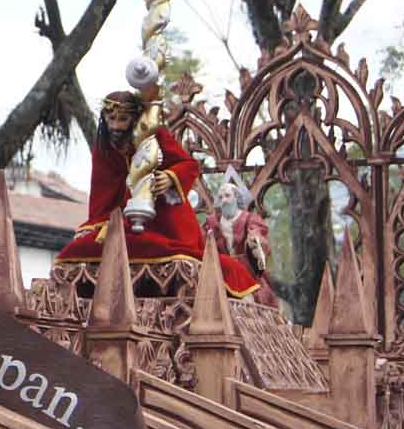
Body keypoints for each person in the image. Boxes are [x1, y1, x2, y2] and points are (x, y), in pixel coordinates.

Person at [54, 91, 259, 298]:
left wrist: (170, 177)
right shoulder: (104, 148)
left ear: (135, 119)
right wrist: (99, 225)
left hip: (165, 221)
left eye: (122, 119)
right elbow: (102, 193)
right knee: (76, 251)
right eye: (111, 118)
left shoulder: (153, 134)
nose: (115, 126)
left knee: (179, 255)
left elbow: (188, 165)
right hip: (120, 220)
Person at [203, 182, 278, 306]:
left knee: (255, 303)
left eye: (227, 196)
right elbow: (204, 244)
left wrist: (255, 242)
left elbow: (257, 234)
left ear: (236, 198)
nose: (224, 200)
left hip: (247, 273)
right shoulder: (212, 222)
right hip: (223, 273)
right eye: (220, 197)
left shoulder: (250, 219)